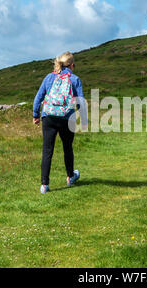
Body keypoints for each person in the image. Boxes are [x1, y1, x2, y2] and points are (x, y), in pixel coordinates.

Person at [33, 51, 85, 194]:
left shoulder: (49, 77)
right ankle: (70, 176)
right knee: (67, 147)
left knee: (47, 150)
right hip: (67, 118)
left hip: (48, 116)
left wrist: (36, 115)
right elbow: (81, 102)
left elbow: (38, 97)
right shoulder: (75, 79)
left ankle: (44, 185)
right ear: (72, 65)